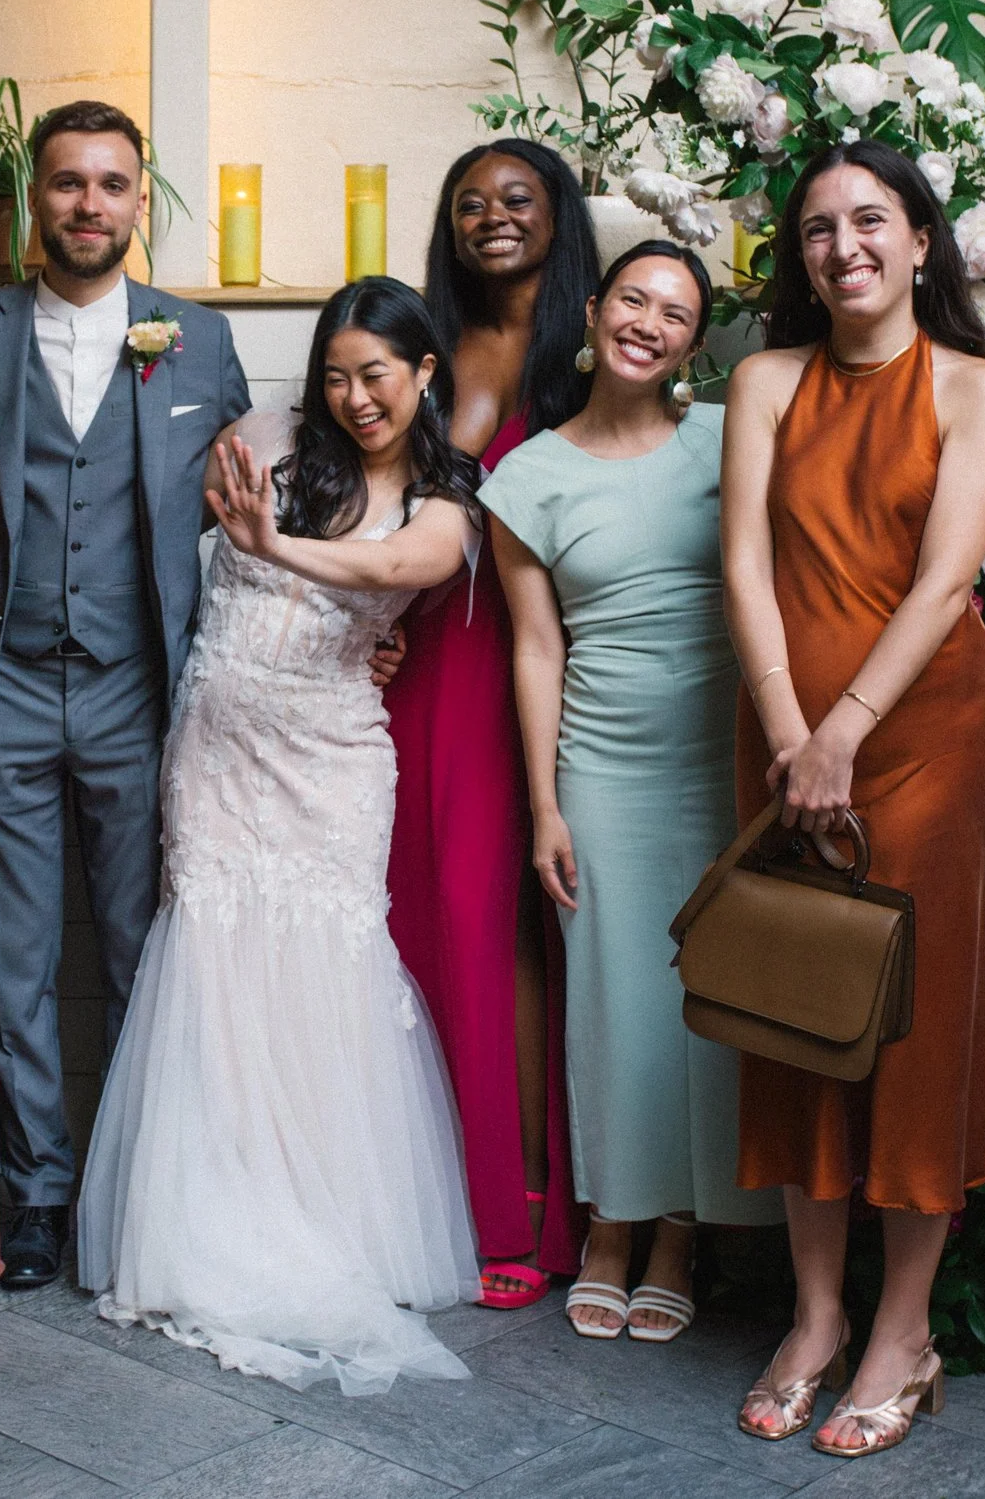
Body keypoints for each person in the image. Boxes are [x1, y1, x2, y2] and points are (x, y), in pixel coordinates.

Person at [78, 277, 484, 1395]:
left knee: (323, 964)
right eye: (336, 376)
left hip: (333, 758)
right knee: (214, 957)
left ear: (424, 373)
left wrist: (276, 546)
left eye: (377, 375)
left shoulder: (448, 496)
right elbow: (166, 547)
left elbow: (398, 569)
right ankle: (210, 1215)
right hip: (217, 745)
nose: (356, 398)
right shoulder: (266, 437)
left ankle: (325, 1217)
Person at [0, 100, 255, 1291]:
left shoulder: (198, 339)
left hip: (139, 686)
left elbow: (258, 502)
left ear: (138, 200)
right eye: (67, 182)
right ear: (35, 197)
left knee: (138, 950)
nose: (89, 204)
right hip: (1, 684)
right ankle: (36, 1192)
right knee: (13, 956)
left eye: (112, 184)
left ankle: (130, 1187)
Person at [721, 141, 985, 1457]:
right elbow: (742, 561)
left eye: (870, 219)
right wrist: (792, 730)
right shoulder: (764, 379)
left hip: (921, 743)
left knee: (910, 1026)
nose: (843, 245)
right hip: (784, 736)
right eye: (817, 227)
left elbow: (948, 579)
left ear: (920, 240)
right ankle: (816, 1316)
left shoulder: (973, 385)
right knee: (794, 1009)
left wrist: (843, 729)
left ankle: (904, 1330)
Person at [483, 241, 782, 1345]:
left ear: (694, 344)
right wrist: (545, 805)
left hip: (721, 762)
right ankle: (610, 1224)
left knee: (707, 1006)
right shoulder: (527, 475)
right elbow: (535, 648)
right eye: (633, 299)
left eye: (675, 313)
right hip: (600, 769)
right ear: (595, 310)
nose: (648, 322)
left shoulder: (727, 438)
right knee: (611, 1004)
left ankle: (679, 1240)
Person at [388, 138, 600, 1306]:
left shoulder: (594, 348)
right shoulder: (427, 341)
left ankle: (524, 1197)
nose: (491, 217)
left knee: (519, 929)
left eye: (516, 199)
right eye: (468, 204)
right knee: (431, 919)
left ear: (557, 213)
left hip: (542, 659)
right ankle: (439, 1195)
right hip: (424, 657)